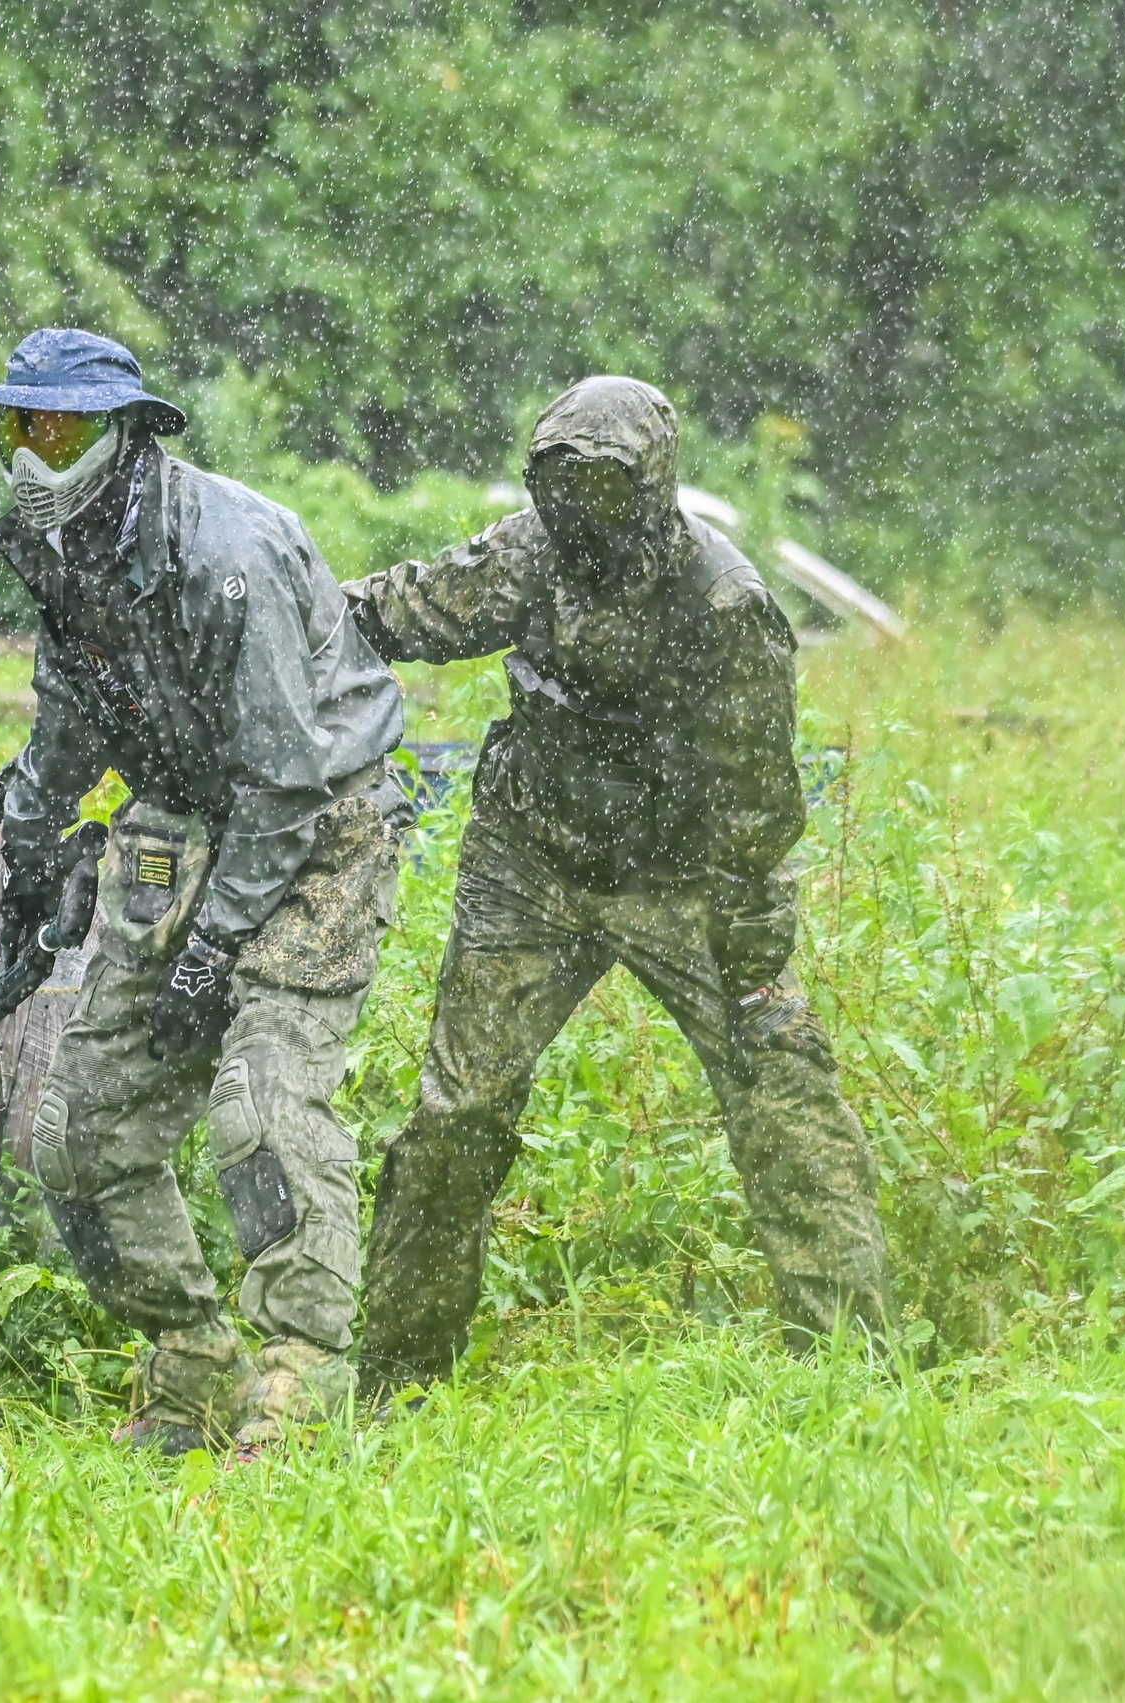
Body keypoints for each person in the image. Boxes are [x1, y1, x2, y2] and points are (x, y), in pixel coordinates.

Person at [343, 376, 892, 1392]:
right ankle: (394, 1376)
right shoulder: (528, 549)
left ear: (653, 487)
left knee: (783, 1090)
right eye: (560, 484)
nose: (580, 510)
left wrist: (753, 966)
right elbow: (402, 607)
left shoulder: (723, 605)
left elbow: (758, 802)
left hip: (684, 879)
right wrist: (275, 606)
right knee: (454, 1114)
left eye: (603, 486)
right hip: (531, 859)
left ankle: (851, 1367)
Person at [0, 329, 410, 1452]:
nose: (31, 453)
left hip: (320, 827)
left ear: (124, 433)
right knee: (81, 1128)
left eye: (55, 429)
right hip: (180, 826)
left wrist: (212, 952)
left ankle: (302, 1367)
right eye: (18, 427)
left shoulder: (228, 555)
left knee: (258, 1100)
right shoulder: (61, 545)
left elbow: (285, 776)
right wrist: (31, 857)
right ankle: (193, 1357)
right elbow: (64, 722)